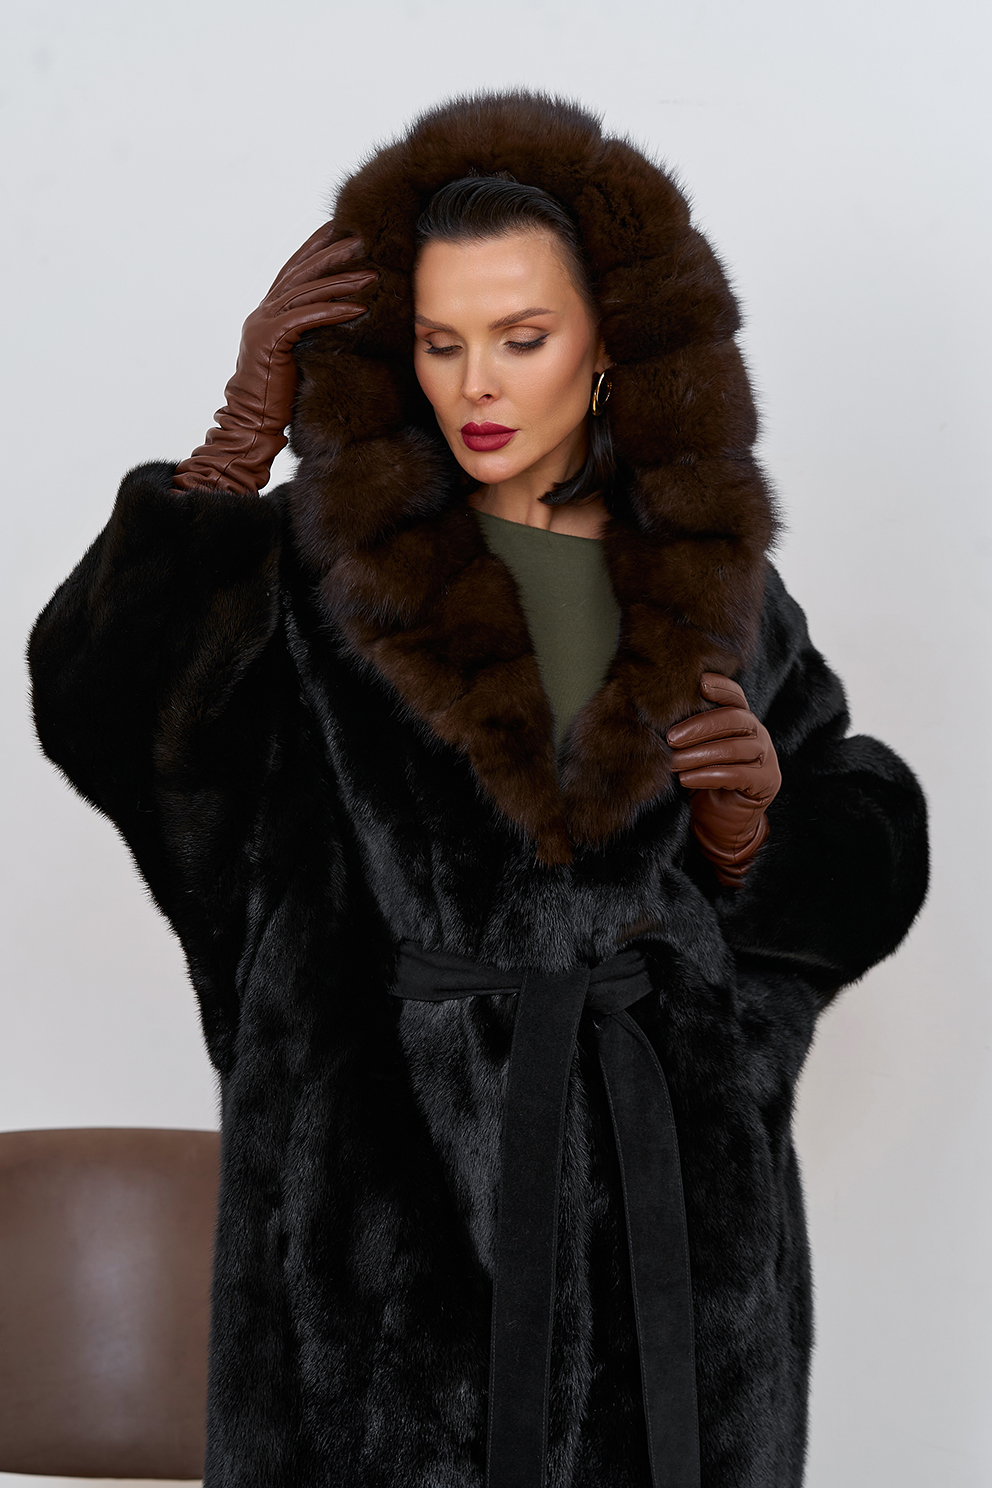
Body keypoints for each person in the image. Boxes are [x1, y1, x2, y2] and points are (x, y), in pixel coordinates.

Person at [28, 91, 928, 1488]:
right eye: (440, 342)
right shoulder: (315, 572)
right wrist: (232, 445)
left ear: (608, 345)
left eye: (522, 337)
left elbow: (858, 850)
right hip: (383, 1236)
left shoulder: (718, 589)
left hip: (668, 1231)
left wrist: (755, 837)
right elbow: (111, 716)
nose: (477, 386)